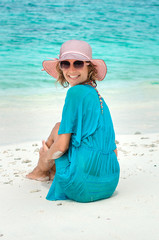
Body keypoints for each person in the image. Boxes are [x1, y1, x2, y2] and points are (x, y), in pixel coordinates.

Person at [26, 39, 120, 203]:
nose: (71, 69)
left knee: (57, 138)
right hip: (110, 183)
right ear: (60, 67)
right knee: (60, 127)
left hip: (82, 188)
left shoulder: (75, 93)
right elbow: (114, 150)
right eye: (65, 64)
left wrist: (46, 157)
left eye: (78, 64)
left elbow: (61, 146)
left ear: (88, 66)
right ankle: (50, 171)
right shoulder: (96, 96)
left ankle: (40, 171)